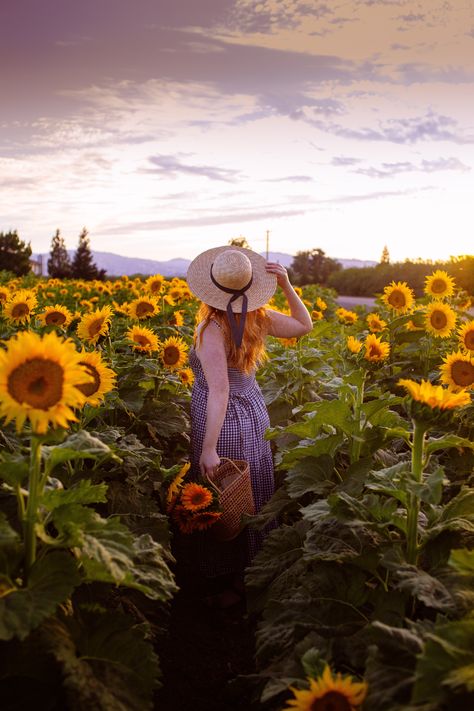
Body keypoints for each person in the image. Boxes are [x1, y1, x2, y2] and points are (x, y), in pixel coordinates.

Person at [182, 245, 312, 606]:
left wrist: (209, 448)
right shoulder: (259, 316)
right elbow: (304, 325)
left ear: (210, 287)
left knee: (226, 499)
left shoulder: (212, 327)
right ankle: (248, 578)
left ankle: (230, 584)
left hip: (222, 422)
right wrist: (287, 286)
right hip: (252, 412)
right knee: (248, 494)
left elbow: (219, 391)